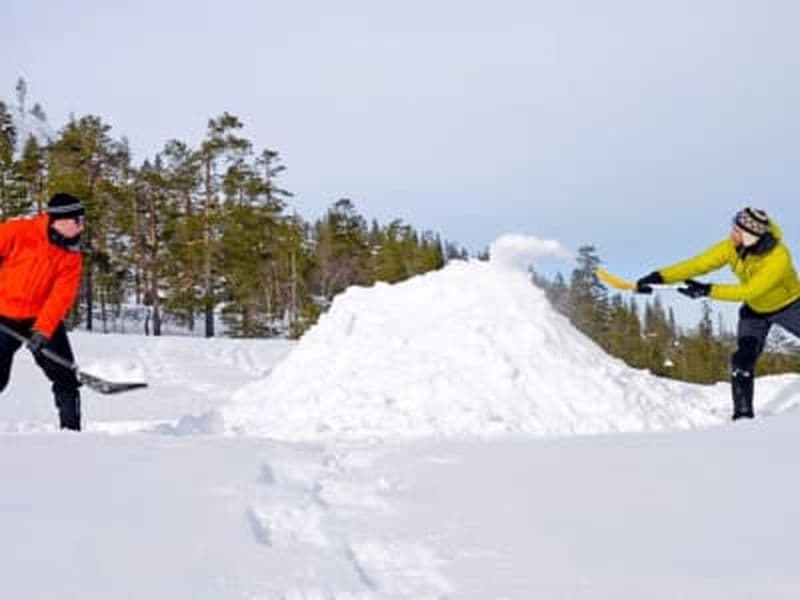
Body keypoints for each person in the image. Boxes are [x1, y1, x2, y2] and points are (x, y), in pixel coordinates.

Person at [636, 207, 800, 421]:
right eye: (733, 227)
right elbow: (699, 264)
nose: (732, 233)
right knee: (742, 360)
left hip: (789, 306)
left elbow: (750, 290)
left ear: (751, 237)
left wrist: (707, 290)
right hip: (754, 311)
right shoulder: (731, 247)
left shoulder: (778, 256)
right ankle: (742, 418)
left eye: (737, 231)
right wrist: (659, 276)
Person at [0, 192, 85, 430]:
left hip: (40, 318)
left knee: (65, 375)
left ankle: (72, 434)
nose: (81, 227)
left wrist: (44, 331)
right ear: (58, 220)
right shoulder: (18, 232)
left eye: (82, 221)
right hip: (4, 314)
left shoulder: (71, 255)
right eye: (77, 221)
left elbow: (61, 296)